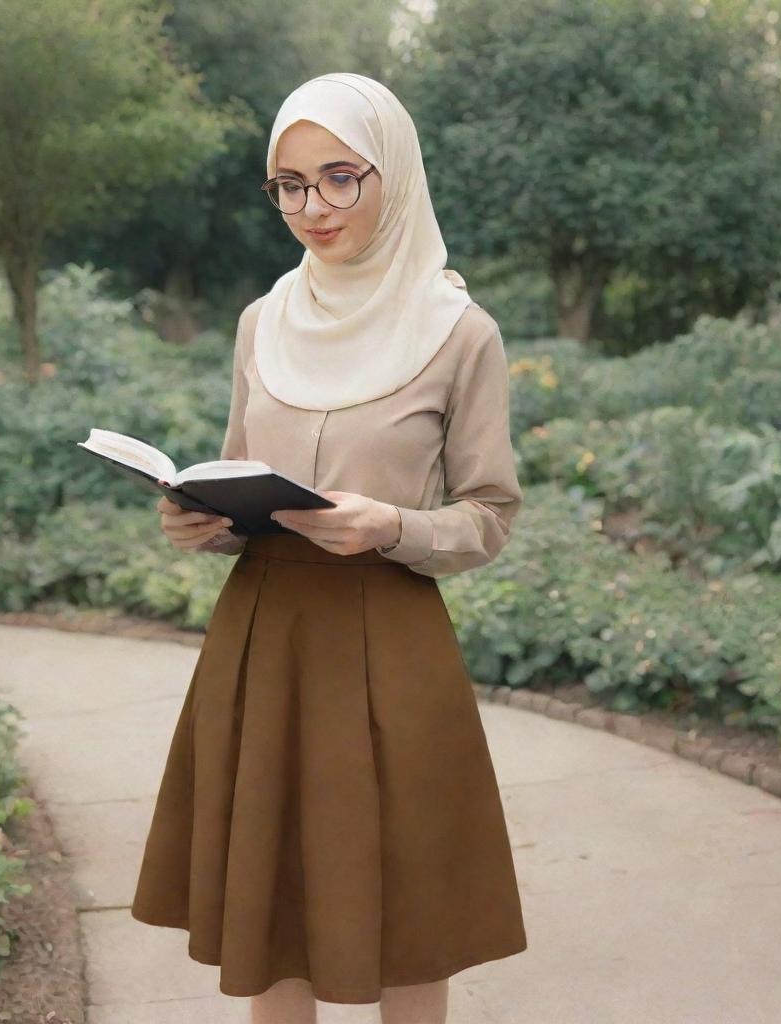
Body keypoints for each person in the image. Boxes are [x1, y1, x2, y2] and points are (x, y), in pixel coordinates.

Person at [129, 72, 527, 1024]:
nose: (312, 207)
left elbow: (490, 514)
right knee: (271, 904)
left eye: (340, 178)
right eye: (291, 185)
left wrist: (390, 525)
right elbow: (235, 476)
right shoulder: (263, 323)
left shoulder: (459, 333)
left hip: (388, 642)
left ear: (392, 176)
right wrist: (201, 521)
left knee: (407, 908)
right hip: (262, 643)